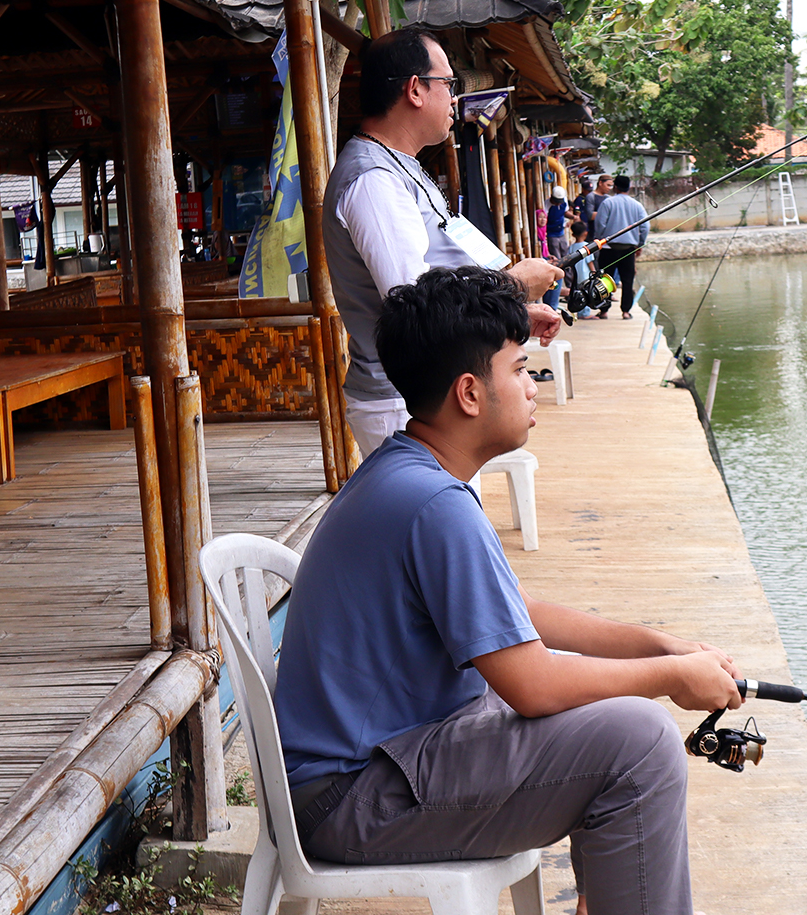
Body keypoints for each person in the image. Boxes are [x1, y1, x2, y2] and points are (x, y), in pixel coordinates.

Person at [275, 265, 744, 915]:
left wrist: (655, 644)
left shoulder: (410, 473)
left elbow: (514, 614)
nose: (532, 385)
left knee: (605, 715)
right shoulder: (434, 503)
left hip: (376, 767)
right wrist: (668, 675)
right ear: (470, 393)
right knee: (640, 743)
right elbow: (533, 685)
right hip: (352, 797)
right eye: (520, 370)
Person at [322, 27, 564, 456]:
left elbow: (438, 272)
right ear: (415, 89)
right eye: (448, 83)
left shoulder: (404, 166)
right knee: (418, 519)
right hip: (402, 401)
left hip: (429, 390)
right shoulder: (373, 180)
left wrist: (509, 314)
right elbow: (413, 302)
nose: (454, 98)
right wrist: (512, 286)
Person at [592, 174, 648, 319]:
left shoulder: (607, 203)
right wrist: (640, 244)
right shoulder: (637, 205)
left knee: (604, 280)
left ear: (615, 187)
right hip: (629, 249)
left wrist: (599, 240)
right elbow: (645, 227)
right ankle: (626, 311)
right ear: (629, 187)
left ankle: (604, 310)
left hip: (608, 248)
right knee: (627, 281)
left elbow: (600, 224)